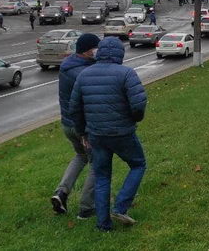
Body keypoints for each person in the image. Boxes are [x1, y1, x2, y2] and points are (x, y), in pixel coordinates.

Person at [69, 37, 148, 232]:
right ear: (120, 53)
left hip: (96, 134)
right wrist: (133, 120)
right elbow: (138, 104)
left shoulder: (84, 75)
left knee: (102, 176)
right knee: (138, 164)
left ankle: (103, 224)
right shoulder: (127, 73)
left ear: (99, 52)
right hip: (122, 133)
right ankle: (120, 206)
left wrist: (82, 132)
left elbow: (74, 108)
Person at [51, 33, 100, 218]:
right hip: (82, 127)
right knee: (97, 163)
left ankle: (61, 193)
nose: (98, 51)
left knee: (81, 156)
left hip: (67, 124)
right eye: (96, 48)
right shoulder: (81, 73)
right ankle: (87, 207)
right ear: (88, 51)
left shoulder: (69, 65)